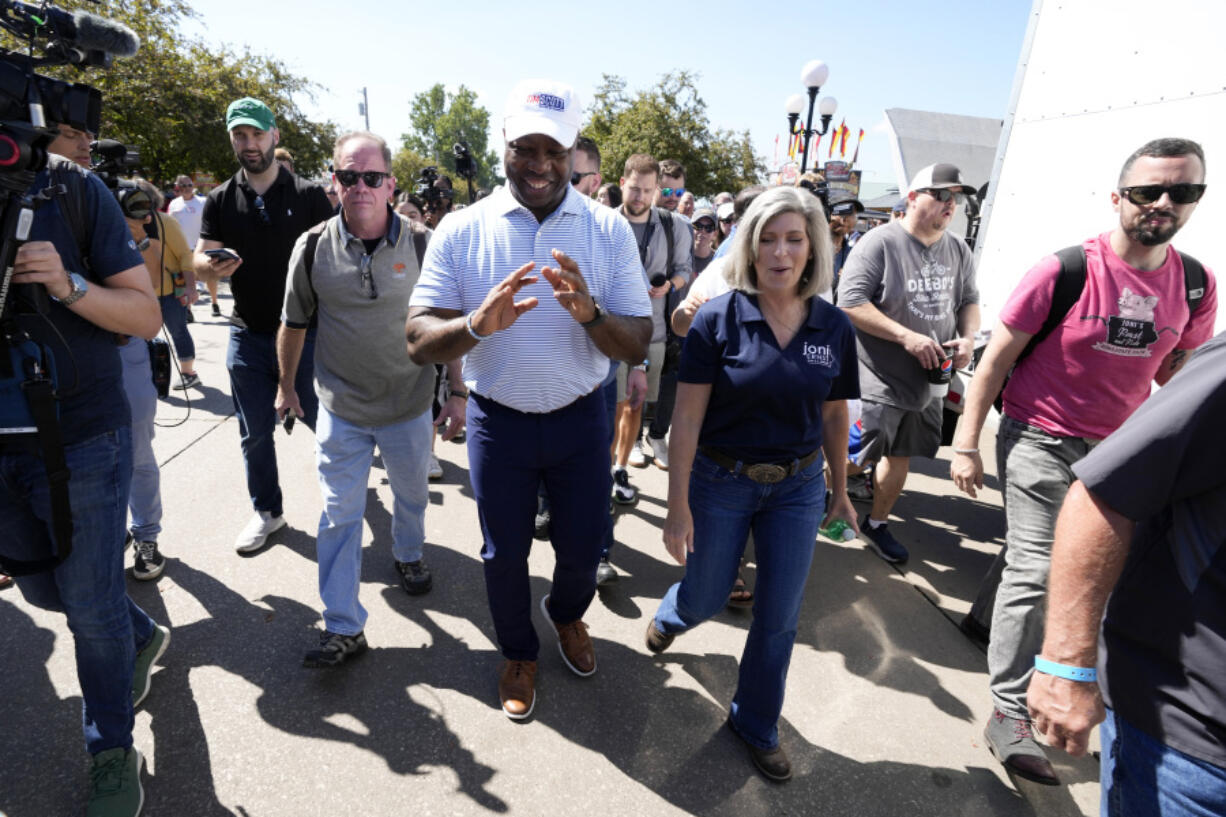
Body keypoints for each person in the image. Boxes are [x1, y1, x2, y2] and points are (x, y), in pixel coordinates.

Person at [950, 138, 1216, 785]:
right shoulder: (1065, 270)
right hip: (1041, 437)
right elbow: (997, 359)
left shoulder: (1194, 284)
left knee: (1059, 562)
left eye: (1182, 192)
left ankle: (995, 621)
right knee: (1039, 567)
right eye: (1149, 190)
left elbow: (1181, 381)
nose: (1163, 203)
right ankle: (1009, 713)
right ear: (1118, 196)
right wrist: (964, 439)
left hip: (1122, 450)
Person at [405, 78, 652, 720]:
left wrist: (592, 315)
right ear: (504, 144)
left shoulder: (607, 230)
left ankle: (566, 614)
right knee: (503, 552)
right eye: (526, 149)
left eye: (555, 151)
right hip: (498, 425)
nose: (541, 165)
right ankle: (518, 650)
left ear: (573, 152)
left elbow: (637, 341)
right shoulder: (462, 230)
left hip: (579, 420)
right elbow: (416, 339)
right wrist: (475, 327)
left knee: (583, 545)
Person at [648, 186, 859, 781]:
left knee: (779, 616)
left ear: (812, 248)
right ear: (750, 247)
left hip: (797, 489)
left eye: (794, 239)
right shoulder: (718, 318)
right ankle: (673, 613)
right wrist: (677, 506)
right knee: (708, 594)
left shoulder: (833, 326)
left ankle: (756, 722)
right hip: (721, 481)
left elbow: (836, 414)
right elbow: (685, 418)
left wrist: (840, 490)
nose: (780, 252)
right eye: (767, 238)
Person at [1, 130, 165, 815]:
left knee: (90, 609)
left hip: (84, 438)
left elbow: (146, 313)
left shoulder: (68, 188)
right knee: (43, 591)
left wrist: (65, 284)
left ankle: (110, 750)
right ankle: (141, 631)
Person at [277, 131, 464, 667]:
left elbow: (449, 323)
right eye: (348, 176)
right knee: (340, 512)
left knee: (411, 496)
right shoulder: (311, 246)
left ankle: (407, 554)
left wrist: (456, 391)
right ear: (334, 182)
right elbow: (292, 323)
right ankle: (342, 625)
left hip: (408, 406)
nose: (360, 186)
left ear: (390, 184)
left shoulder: (425, 244)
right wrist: (286, 387)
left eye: (372, 177)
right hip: (341, 408)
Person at [1027, 329, 1226, 814]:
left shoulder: (1188, 286)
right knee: (1027, 569)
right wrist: (1064, 667)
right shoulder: (1069, 271)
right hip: (1192, 741)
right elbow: (1105, 496)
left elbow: (1168, 363)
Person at [195, 97, 334, 554]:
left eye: (256, 134)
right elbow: (200, 256)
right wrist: (209, 267)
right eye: (240, 135)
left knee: (333, 428)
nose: (249, 143)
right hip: (248, 333)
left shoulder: (309, 194)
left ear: (274, 135)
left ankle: (348, 500)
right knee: (255, 433)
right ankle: (268, 513)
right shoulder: (219, 198)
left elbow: (335, 260)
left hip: (308, 335)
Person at [836, 162, 980, 564]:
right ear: (914, 197)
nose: (952, 205)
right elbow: (848, 303)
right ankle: (809, 498)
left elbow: (969, 301)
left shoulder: (958, 249)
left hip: (930, 382)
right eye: (943, 195)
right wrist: (906, 336)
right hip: (876, 378)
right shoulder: (879, 243)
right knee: (855, 458)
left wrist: (967, 338)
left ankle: (877, 523)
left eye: (957, 198)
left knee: (900, 457)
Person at [613, 154, 692, 495]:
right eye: (634, 189)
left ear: (657, 190)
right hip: (609, 331)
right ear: (622, 185)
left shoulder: (674, 227)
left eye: (647, 190)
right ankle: (603, 468)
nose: (639, 197)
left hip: (652, 331)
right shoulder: (603, 222)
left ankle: (619, 465)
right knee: (609, 405)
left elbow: (685, 270)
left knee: (635, 404)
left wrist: (668, 285)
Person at [168, 174, 217, 316]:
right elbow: (171, 225)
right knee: (186, 280)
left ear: (193, 186)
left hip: (202, 246)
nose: (186, 188)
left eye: (189, 185)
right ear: (178, 187)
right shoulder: (174, 204)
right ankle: (188, 310)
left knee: (209, 276)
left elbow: (212, 222)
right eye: (183, 185)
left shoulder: (203, 201)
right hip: (183, 247)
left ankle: (214, 303)